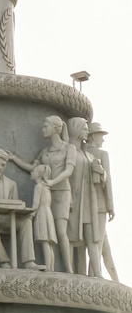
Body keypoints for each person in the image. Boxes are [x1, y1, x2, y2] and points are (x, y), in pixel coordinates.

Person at [8, 117, 76, 273]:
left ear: (56, 128)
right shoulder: (45, 152)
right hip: (46, 191)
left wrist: (52, 182)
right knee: (46, 232)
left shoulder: (69, 148)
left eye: (46, 126)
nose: (43, 129)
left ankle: (69, 269)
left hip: (61, 191)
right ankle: (51, 266)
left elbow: (69, 171)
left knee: (61, 231)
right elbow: (32, 168)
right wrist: (14, 159)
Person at [66, 117, 104, 277]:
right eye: (84, 128)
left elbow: (101, 177)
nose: (87, 132)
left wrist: (101, 172)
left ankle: (98, 273)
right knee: (69, 236)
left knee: (92, 238)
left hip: (88, 202)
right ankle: (68, 270)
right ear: (75, 129)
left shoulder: (87, 154)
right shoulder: (68, 151)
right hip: (72, 201)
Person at [86, 122, 119, 281]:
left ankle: (115, 279)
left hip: (87, 203)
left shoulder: (82, 151)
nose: (103, 140)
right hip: (99, 204)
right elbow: (108, 181)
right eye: (101, 136)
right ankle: (93, 276)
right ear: (93, 136)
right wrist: (110, 206)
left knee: (102, 244)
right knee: (97, 241)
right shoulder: (102, 154)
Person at [30, 164, 57, 270]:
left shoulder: (38, 187)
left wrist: (31, 215)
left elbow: (35, 204)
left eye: (34, 171)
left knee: (45, 242)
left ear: (39, 174)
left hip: (41, 214)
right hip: (48, 214)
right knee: (49, 244)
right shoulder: (46, 187)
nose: (31, 172)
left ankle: (48, 268)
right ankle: (52, 267)